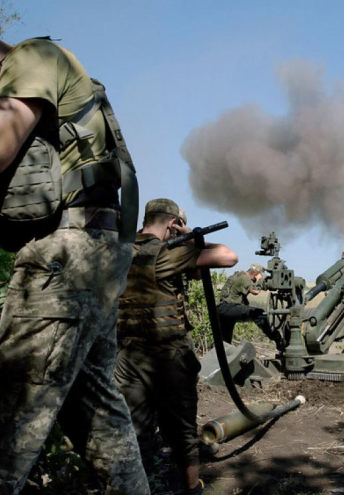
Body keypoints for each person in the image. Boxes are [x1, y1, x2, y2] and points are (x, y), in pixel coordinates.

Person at [0, 9, 149, 494]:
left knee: (0, 418)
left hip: (66, 257)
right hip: (92, 254)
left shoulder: (34, 58)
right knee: (98, 414)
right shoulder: (31, 76)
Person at [114, 198, 237, 495]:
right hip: (169, 357)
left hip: (127, 357)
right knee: (182, 429)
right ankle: (192, 487)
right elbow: (228, 257)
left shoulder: (121, 249)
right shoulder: (165, 253)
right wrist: (193, 238)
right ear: (172, 223)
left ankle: (138, 486)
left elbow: (192, 273)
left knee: (134, 428)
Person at [216, 264, 279, 344]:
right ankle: (274, 337)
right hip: (229, 307)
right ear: (255, 274)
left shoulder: (238, 276)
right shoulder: (245, 278)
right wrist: (259, 280)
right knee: (259, 313)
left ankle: (221, 354)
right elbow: (255, 291)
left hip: (222, 310)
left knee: (225, 342)